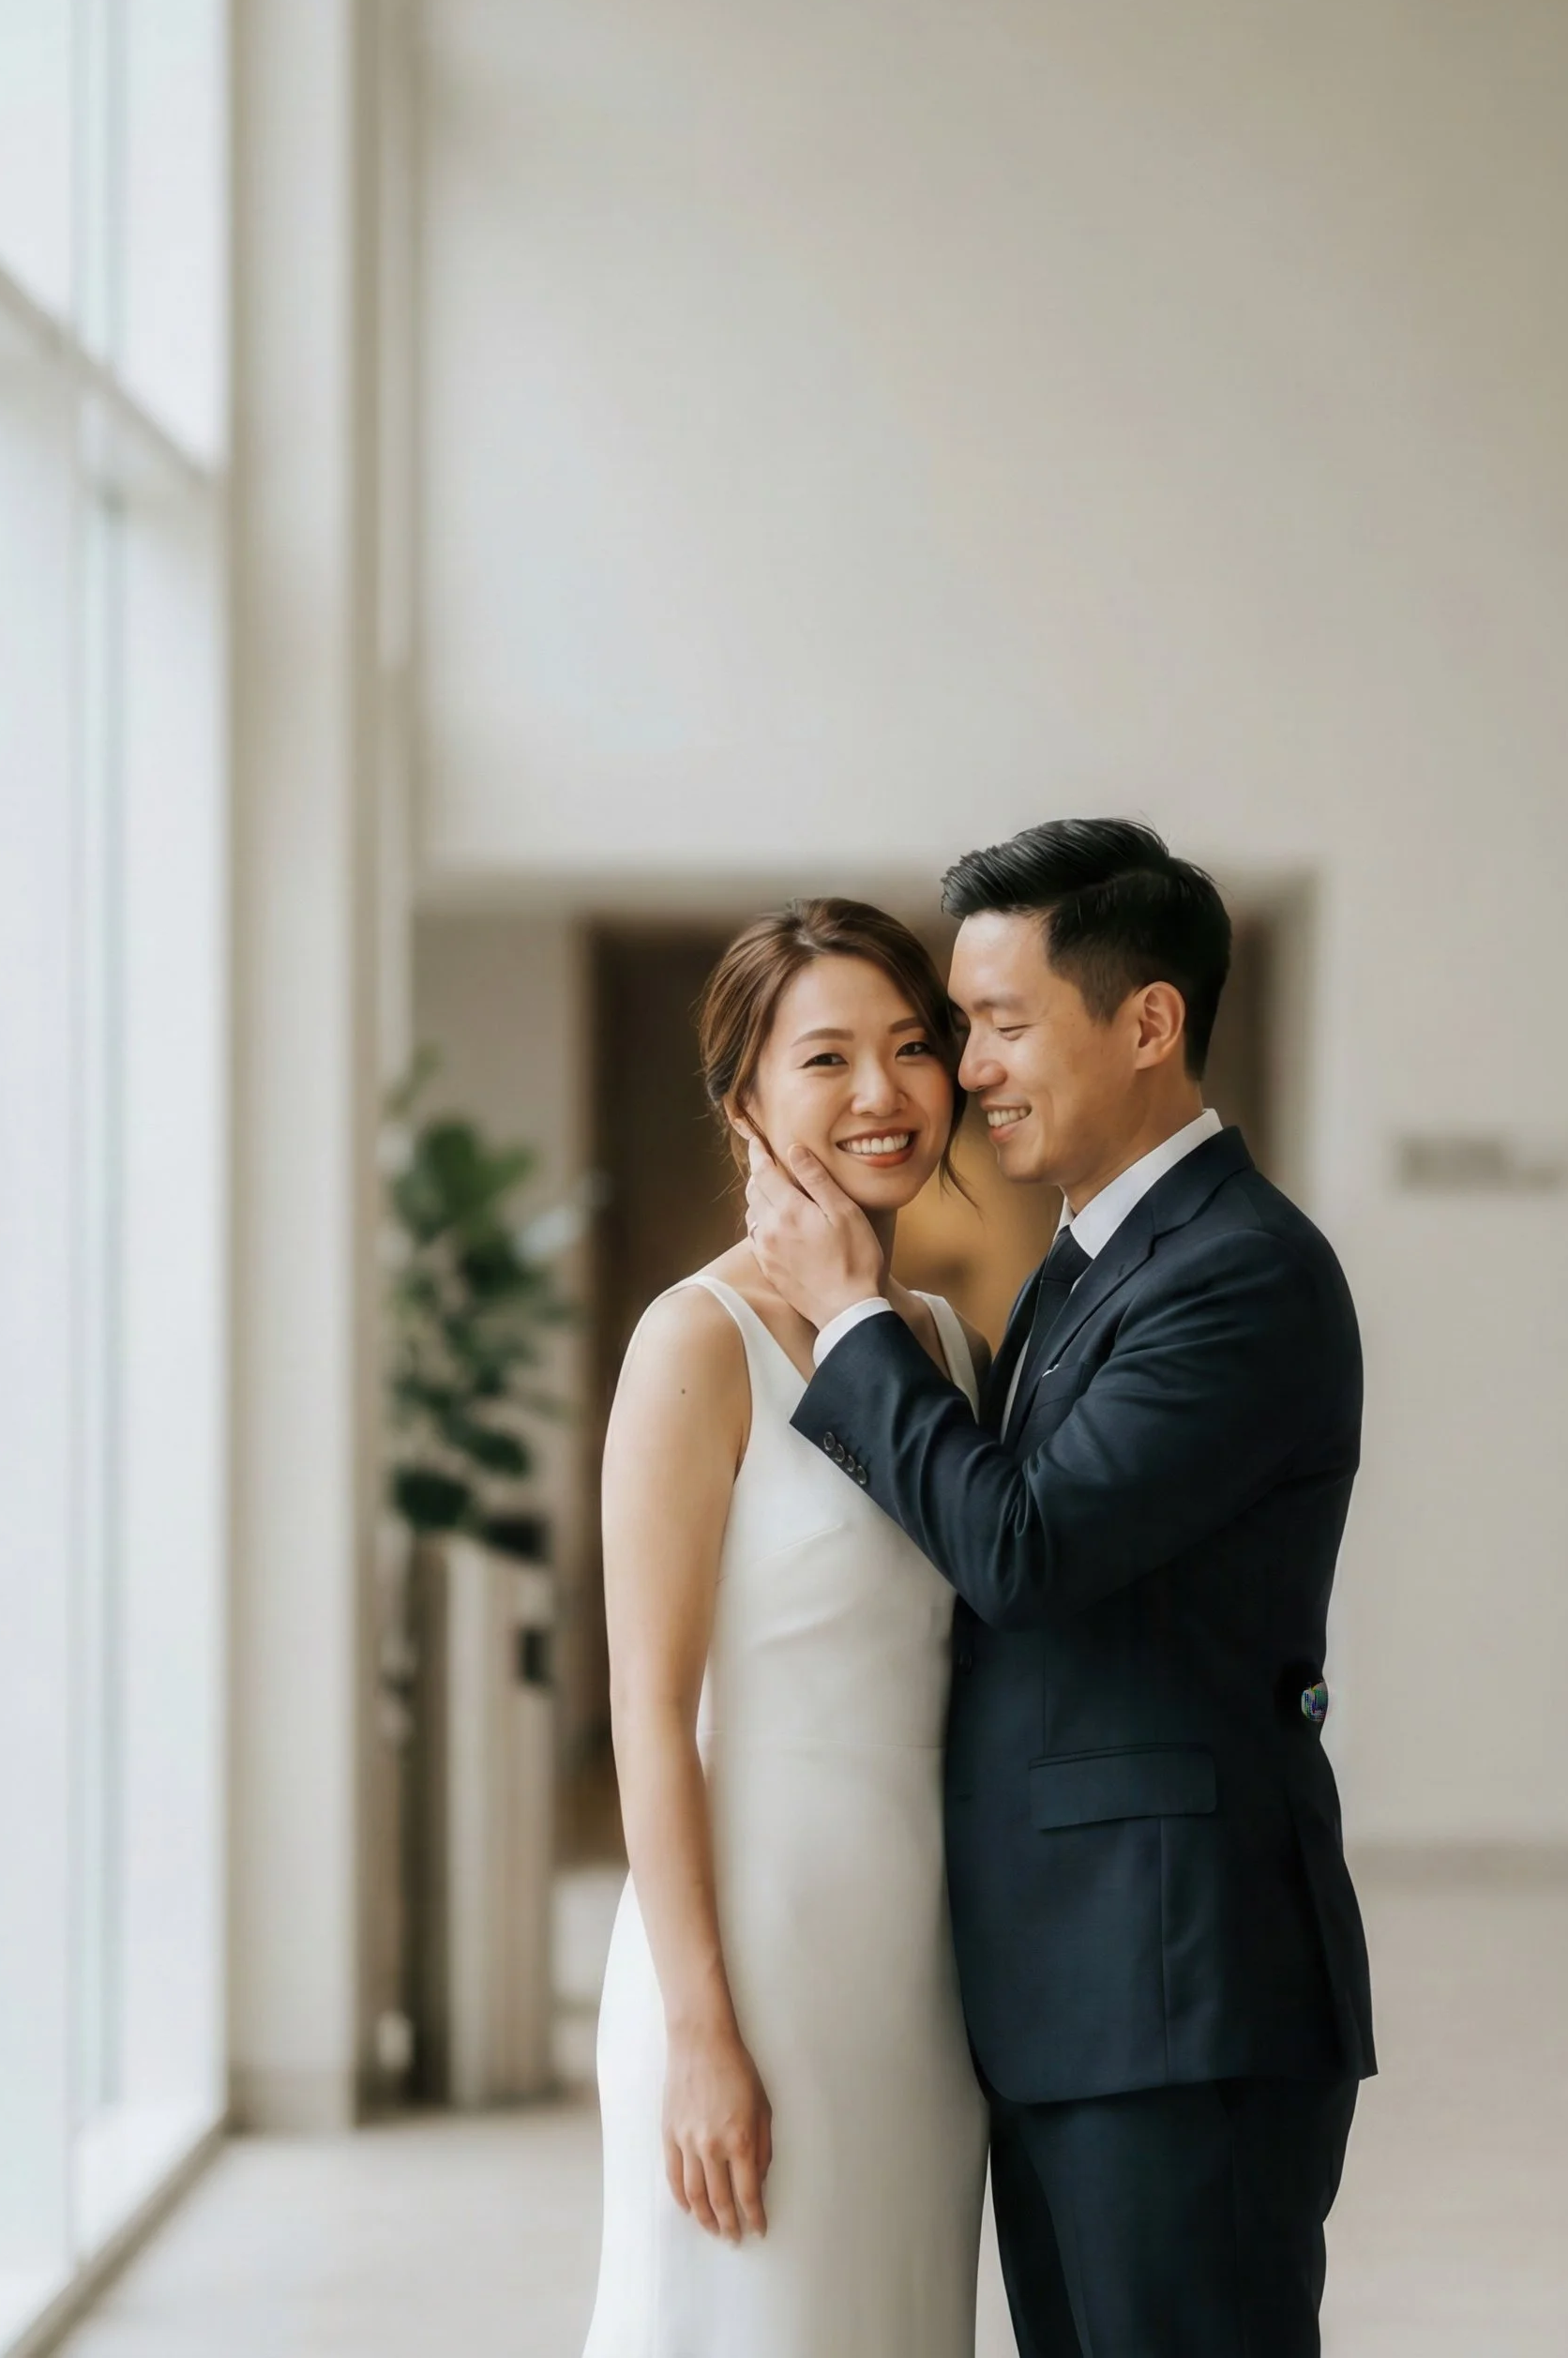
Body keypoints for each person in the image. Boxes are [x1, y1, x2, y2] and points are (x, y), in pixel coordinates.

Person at [748, 818, 1376, 2358]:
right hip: (1079, 1995)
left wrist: (848, 1322)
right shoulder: (1090, 1259)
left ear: (1149, 1021)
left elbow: (1026, 1547)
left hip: (1175, 1998)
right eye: (965, 1028)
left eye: (1001, 1024)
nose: (966, 1072)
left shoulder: (1241, 1270)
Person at [582, 898, 991, 2358]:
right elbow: (647, 1709)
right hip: (751, 1965)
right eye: (828, 1058)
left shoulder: (942, 1343)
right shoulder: (695, 1340)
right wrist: (701, 2034)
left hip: (915, 1983)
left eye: (910, 1049)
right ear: (743, 1097)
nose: (883, 1093)